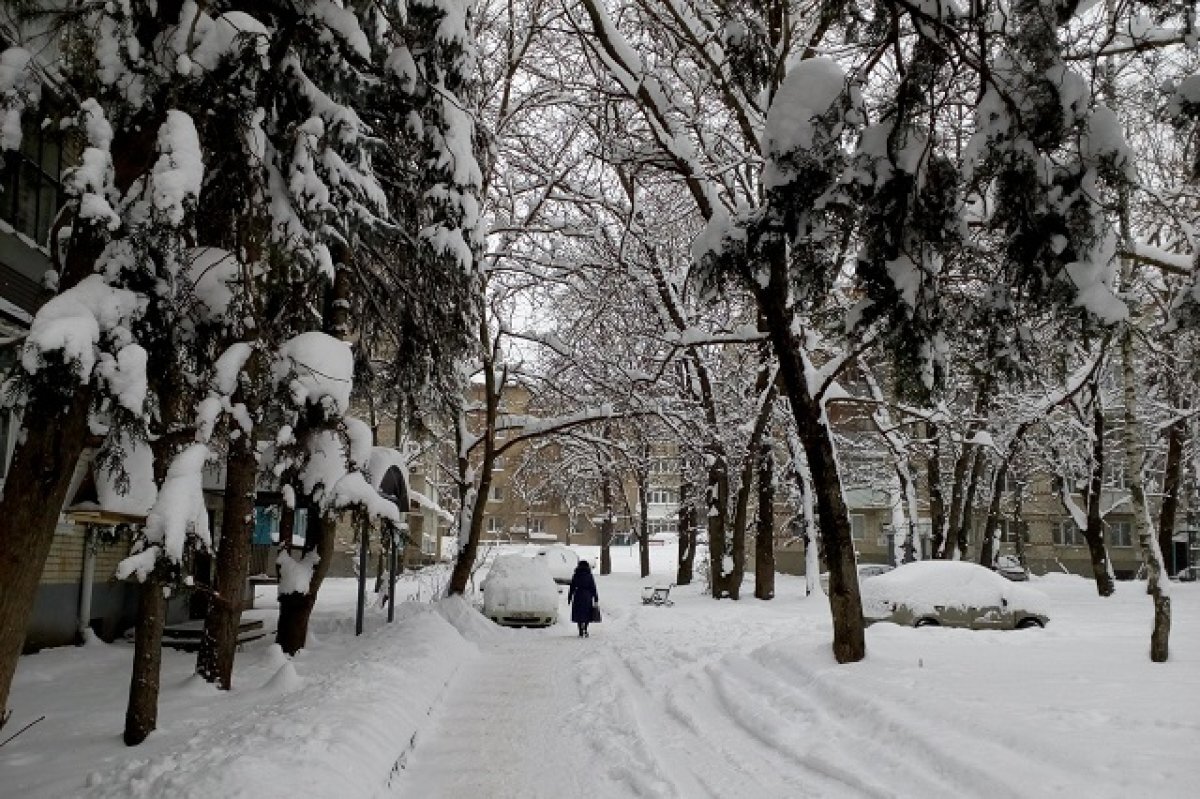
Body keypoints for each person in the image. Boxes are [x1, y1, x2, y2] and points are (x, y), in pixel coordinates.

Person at [567, 560, 598, 637]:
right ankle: (585, 629)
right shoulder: (589, 575)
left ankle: (580, 630)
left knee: (579, 613)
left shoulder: (576, 575)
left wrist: (570, 597)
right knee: (587, 613)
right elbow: (593, 587)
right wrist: (595, 597)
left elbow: (572, 587)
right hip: (587, 596)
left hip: (578, 595)